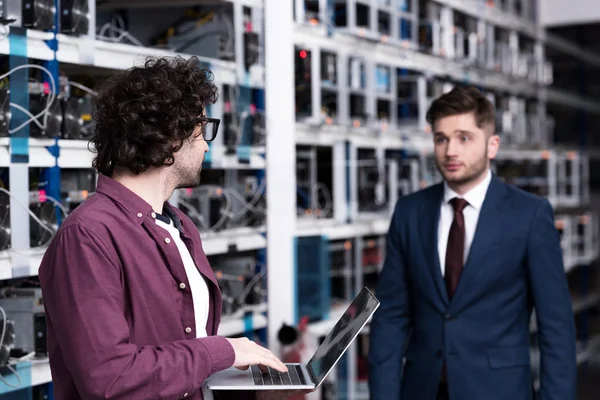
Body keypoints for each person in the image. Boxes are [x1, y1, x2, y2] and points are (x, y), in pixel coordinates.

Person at [38, 56, 299, 400]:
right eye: (203, 130)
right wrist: (221, 352)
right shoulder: (87, 237)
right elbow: (109, 380)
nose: (207, 144)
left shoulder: (181, 227)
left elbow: (182, 367)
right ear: (172, 136)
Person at [368, 86, 577, 400]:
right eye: (441, 138)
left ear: (492, 145)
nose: (451, 150)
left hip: (498, 390)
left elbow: (556, 326)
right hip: (422, 389)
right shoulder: (410, 212)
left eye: (464, 138)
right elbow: (391, 317)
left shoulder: (530, 216)